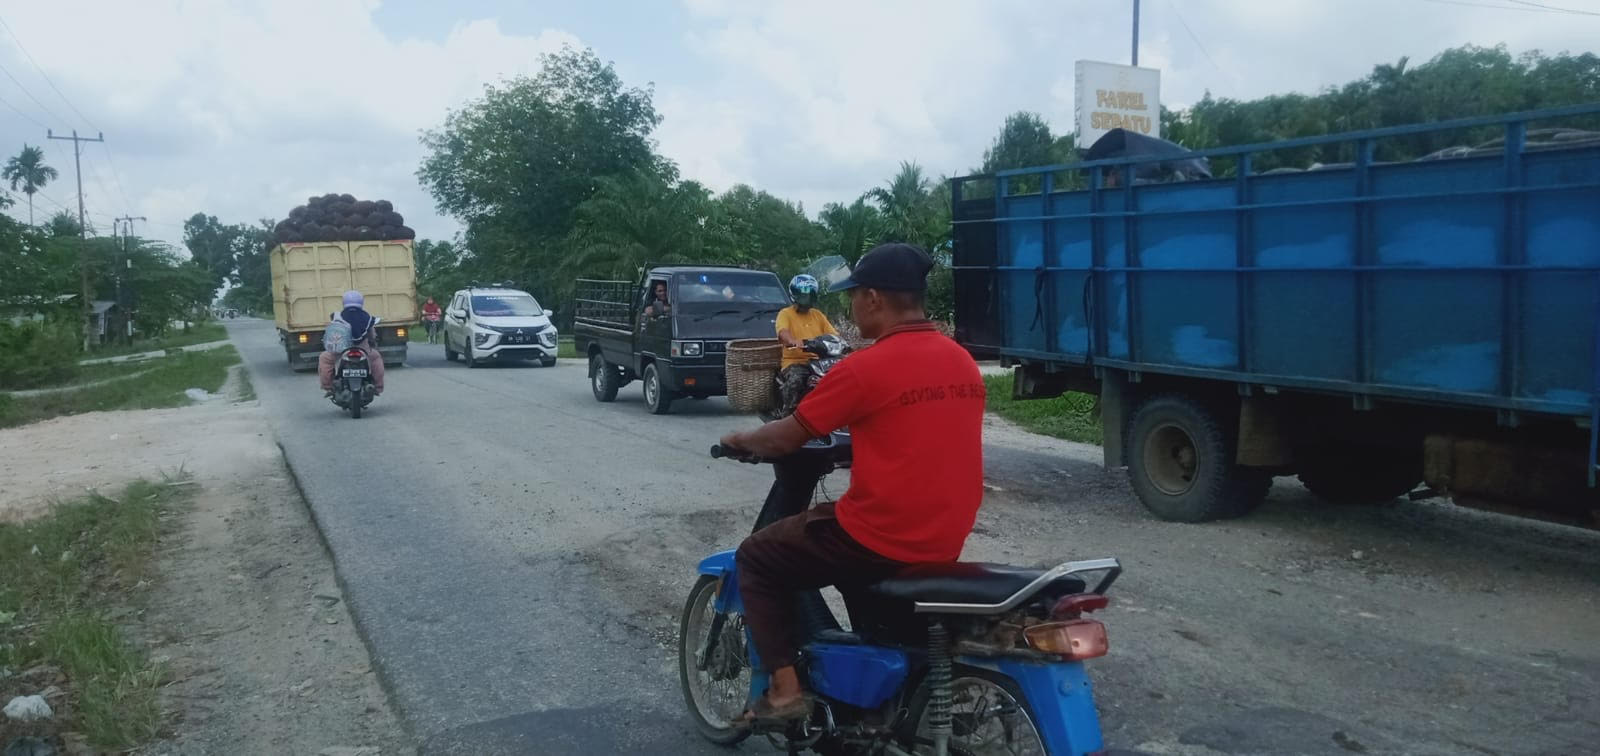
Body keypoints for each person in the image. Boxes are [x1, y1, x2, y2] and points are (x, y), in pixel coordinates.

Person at [717, 243, 986, 726]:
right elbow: (917, 433)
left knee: (757, 557)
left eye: (855, 296)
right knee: (838, 553)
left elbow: (786, 435)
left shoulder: (864, 368)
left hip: (880, 535)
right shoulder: (961, 362)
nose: (850, 307)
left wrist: (741, 439)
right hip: (943, 534)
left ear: (875, 299)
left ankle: (784, 691)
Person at [772, 274, 837, 418]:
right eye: (801, 295)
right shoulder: (785, 314)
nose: (805, 298)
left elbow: (833, 335)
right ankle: (787, 417)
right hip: (795, 362)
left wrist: (842, 343)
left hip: (819, 361)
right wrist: (793, 341)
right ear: (794, 295)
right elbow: (783, 332)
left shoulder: (818, 315)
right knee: (796, 380)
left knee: (839, 377)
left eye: (808, 295)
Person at [319, 290, 386, 395]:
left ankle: (328, 386)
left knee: (324, 359)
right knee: (376, 358)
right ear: (361, 302)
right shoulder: (367, 317)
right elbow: (372, 335)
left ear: (344, 302)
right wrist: (372, 342)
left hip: (340, 351)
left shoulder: (338, 316)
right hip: (363, 350)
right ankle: (378, 387)